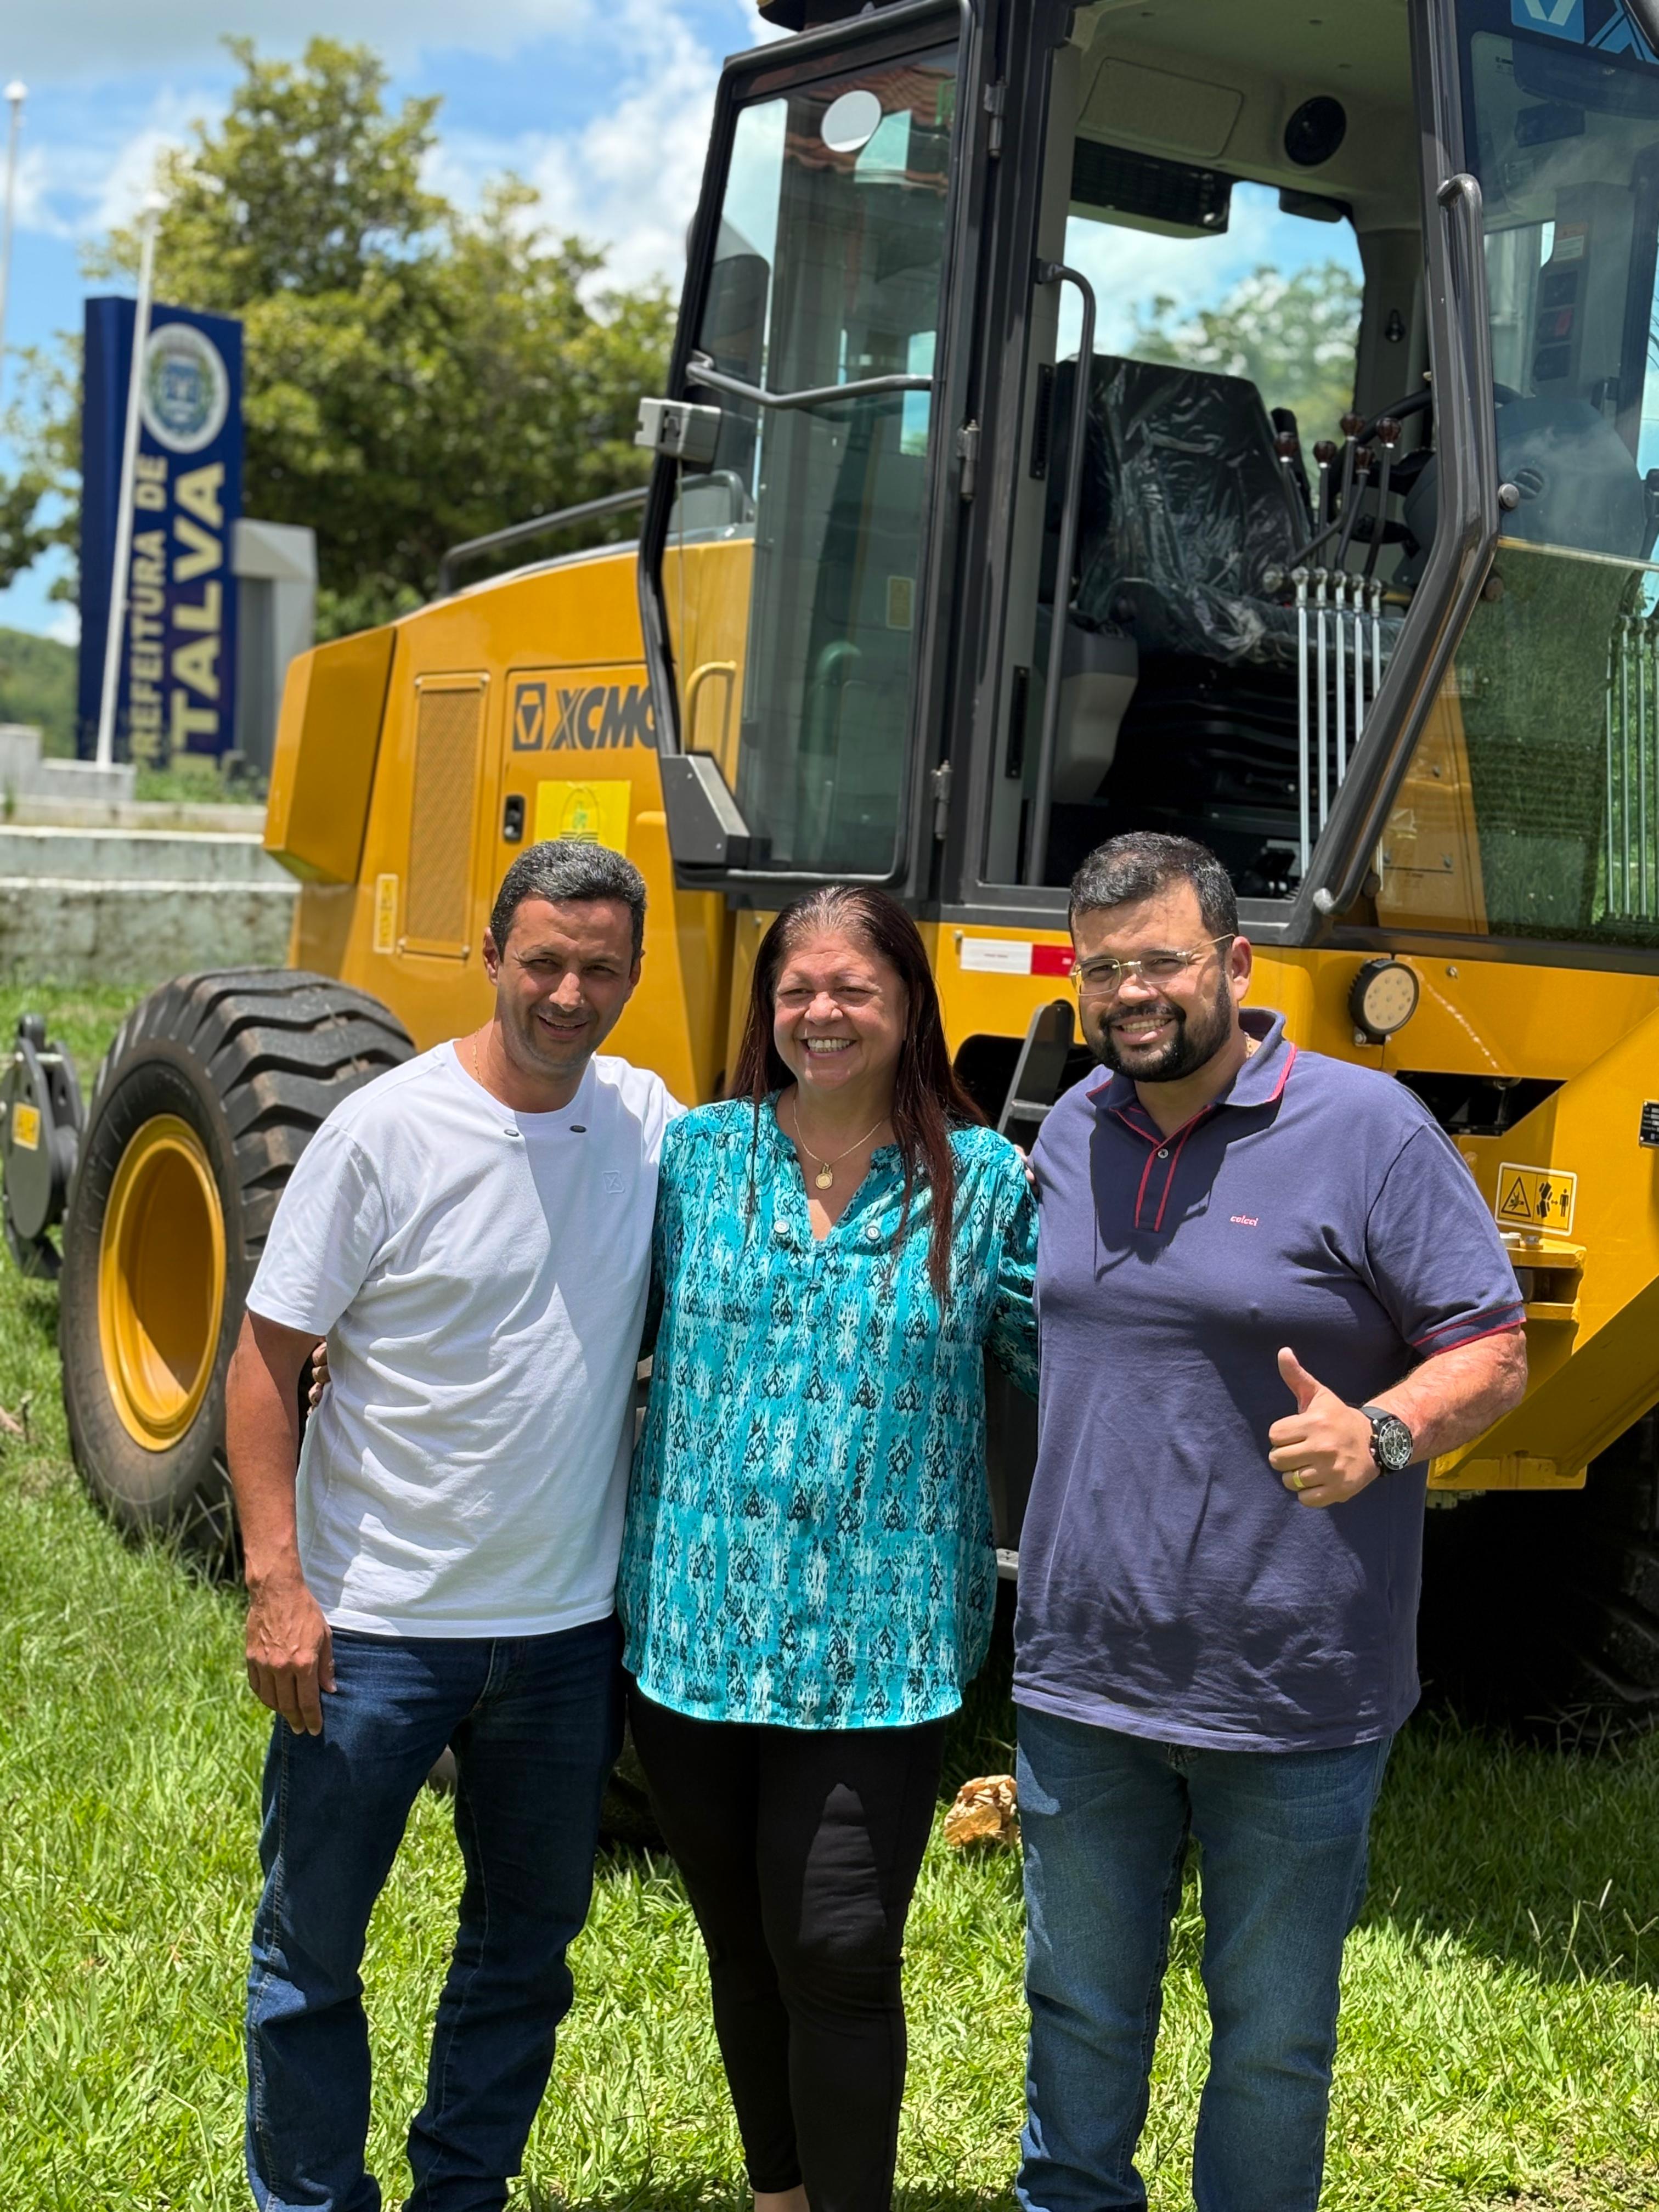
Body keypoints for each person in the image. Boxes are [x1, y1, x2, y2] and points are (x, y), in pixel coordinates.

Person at [1015, 832, 1528, 2212]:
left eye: (1164, 962)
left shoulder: (1369, 1130)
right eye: (1103, 967)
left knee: (1274, 2046)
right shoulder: (1071, 1130)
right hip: (1084, 1679)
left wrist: (1379, 1433)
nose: (1132, 993)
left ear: (1236, 965)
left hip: (1295, 1684)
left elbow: (1492, 1345)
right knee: (1075, 2019)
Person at [227, 840, 678, 2212]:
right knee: (312, 1953)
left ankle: (460, 2195)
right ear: (488, 956)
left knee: (526, 1946)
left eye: (600, 967)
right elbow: (263, 1362)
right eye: (542, 959)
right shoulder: (386, 1130)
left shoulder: (652, 1122)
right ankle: (309, 2201)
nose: (567, 991)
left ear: (635, 974)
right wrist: (277, 1585)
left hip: (559, 1634)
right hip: (375, 1627)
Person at [619, 885, 1037, 2212]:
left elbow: (1089, 1356)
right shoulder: (698, 1157)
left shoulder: (985, 1185)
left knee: (841, 1948)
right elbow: (557, 1304)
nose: (823, 1011)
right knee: (740, 1945)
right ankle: (778, 2194)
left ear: (909, 1004)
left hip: (883, 1637)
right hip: (691, 1629)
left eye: (853, 987)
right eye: (797, 989)